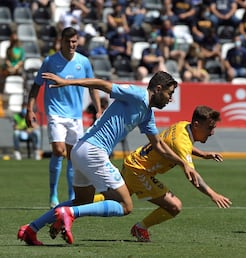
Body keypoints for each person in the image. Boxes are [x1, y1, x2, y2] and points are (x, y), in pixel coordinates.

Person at [17, 71, 200, 246]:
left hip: (81, 150)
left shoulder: (147, 114)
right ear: (158, 89)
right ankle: (69, 213)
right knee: (126, 205)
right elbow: (103, 84)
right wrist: (67, 82)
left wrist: (184, 163)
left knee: (82, 200)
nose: (171, 98)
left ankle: (31, 229)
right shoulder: (138, 94)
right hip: (94, 151)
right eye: (170, 93)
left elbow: (159, 146)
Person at [94, 105, 232, 242]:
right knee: (174, 206)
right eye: (210, 128)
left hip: (133, 162)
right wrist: (212, 194)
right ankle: (140, 227)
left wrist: (203, 154)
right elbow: (192, 176)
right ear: (196, 125)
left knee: (114, 198)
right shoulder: (181, 143)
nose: (212, 132)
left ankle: (78, 203)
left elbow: (179, 146)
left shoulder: (183, 126)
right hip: (139, 171)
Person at [25, 27, 102, 209]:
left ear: (78, 41)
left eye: (74, 41)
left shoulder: (83, 62)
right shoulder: (50, 61)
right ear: (61, 41)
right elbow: (36, 86)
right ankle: (53, 195)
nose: (71, 45)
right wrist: (30, 109)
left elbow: (92, 87)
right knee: (59, 151)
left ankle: (71, 195)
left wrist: (98, 109)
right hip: (55, 113)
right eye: (68, 41)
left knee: (73, 157)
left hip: (75, 116)